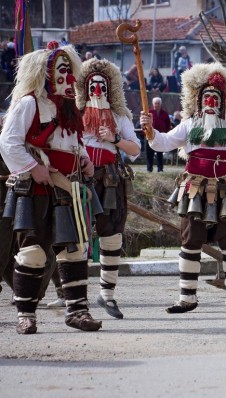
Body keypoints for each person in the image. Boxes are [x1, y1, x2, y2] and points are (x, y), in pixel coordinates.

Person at [140, 63, 226, 313]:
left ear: (224, 102)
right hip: (195, 189)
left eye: (216, 98)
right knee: (190, 241)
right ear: (199, 101)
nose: (211, 102)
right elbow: (163, 143)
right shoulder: (190, 124)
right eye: (207, 97)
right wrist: (150, 130)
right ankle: (187, 298)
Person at [0, 41, 102, 334]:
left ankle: (77, 311)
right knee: (32, 252)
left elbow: (72, 142)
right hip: (35, 190)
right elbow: (8, 142)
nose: (68, 77)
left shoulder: (69, 107)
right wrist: (34, 168)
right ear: (45, 74)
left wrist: (84, 160)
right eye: (61, 70)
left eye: (70, 70)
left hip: (68, 189)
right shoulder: (29, 103)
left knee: (74, 250)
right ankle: (26, 315)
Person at [77, 58, 141, 319]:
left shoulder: (119, 117)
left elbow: (135, 150)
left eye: (102, 85)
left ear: (110, 88)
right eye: (93, 85)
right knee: (76, 237)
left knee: (112, 236)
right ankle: (74, 297)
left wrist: (114, 139)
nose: (97, 90)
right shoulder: (76, 115)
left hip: (110, 180)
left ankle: (107, 295)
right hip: (79, 180)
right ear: (86, 87)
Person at [146, 97, 170, 172]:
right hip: (150, 135)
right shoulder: (149, 112)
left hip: (161, 136)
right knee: (149, 154)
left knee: (160, 153)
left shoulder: (165, 114)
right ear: (153, 104)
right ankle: (149, 169)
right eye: (156, 103)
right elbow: (145, 124)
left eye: (158, 103)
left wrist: (166, 133)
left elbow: (168, 124)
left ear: (160, 104)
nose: (157, 105)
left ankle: (160, 169)